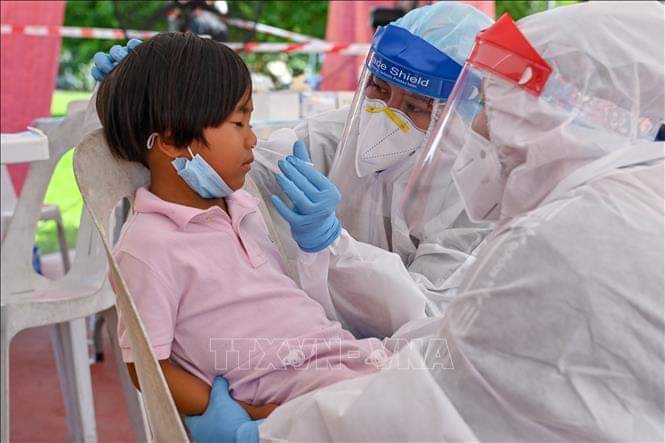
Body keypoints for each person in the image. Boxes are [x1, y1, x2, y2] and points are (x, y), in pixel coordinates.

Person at [188, 2, 665, 441]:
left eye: (495, 106)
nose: (483, 126)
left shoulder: (551, 229)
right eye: (378, 89)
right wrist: (177, 124)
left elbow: (436, 382)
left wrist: (268, 436)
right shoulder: (619, 198)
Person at [96, 31, 426, 442]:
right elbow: (145, 364)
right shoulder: (149, 247)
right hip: (299, 396)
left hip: (346, 361)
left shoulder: (242, 206)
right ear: (171, 141)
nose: (252, 138)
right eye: (238, 123)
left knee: (445, 387)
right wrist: (242, 416)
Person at [92, 2, 495, 319]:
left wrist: (334, 247)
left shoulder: (476, 191)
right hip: (314, 344)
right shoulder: (336, 137)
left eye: (415, 106)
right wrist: (145, 98)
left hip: (416, 368)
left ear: (460, 113)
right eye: (378, 87)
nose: (386, 112)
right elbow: (232, 164)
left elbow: (429, 314)